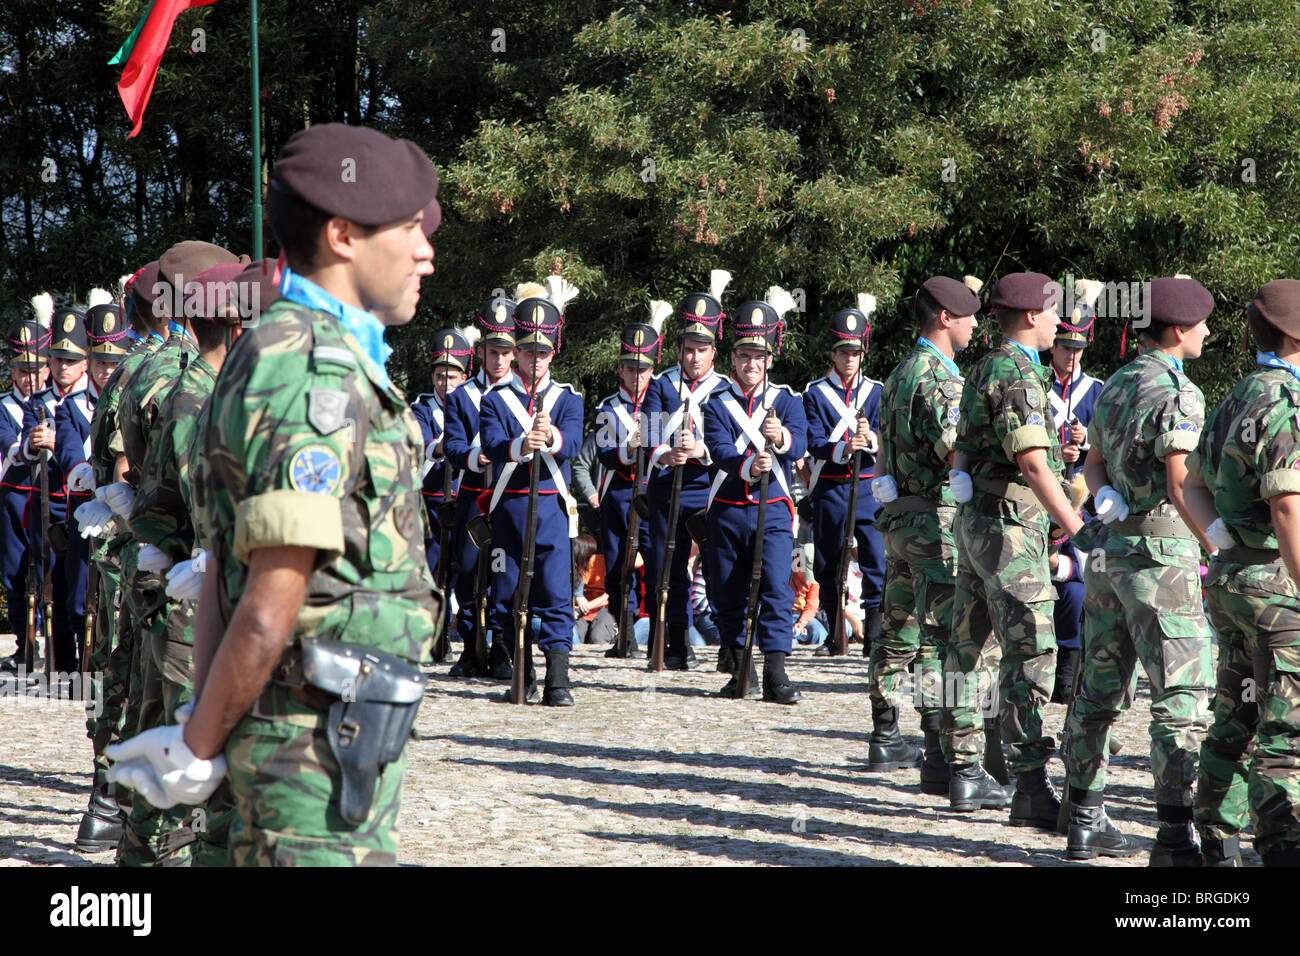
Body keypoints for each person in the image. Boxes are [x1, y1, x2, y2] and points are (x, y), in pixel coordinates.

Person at [107, 122, 444, 866]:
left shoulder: (308, 349)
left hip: (335, 728)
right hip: (311, 743)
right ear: (344, 234)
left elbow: (226, 561)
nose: (425, 251)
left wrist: (205, 721)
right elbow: (266, 596)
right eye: (409, 230)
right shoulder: (313, 367)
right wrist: (199, 741)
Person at [1062, 275, 1216, 863]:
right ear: (1178, 331)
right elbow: (1181, 484)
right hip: (1162, 562)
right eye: (1200, 324)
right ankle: (1175, 834)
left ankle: (1083, 814)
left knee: (1098, 687)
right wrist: (1217, 544)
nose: (1206, 332)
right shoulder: (1179, 392)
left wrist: (1105, 499)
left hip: (1109, 559)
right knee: (1180, 696)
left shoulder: (1117, 383)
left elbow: (1092, 463)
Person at [113, 239, 239, 867]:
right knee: (188, 749)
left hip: (185, 584)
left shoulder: (202, 388)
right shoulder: (202, 397)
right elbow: (196, 503)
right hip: (196, 593)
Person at [945, 271, 1082, 826]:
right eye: (1053, 313)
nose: (1058, 323)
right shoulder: (1019, 373)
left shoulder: (983, 366)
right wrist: (1076, 524)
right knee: (1031, 652)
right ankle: (1028, 783)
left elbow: (962, 445)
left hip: (979, 520)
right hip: (1007, 528)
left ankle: (961, 770)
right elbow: (1030, 461)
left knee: (969, 646)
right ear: (1030, 316)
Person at [1188, 279, 1300, 867]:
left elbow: (1190, 483)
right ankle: (1283, 850)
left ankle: (1216, 843)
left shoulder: (1235, 396)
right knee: (1288, 732)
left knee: (1234, 715)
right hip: (1280, 592)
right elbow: (1287, 505)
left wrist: (1221, 543)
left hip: (1231, 581)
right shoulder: (1288, 403)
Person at [870, 275, 982, 790]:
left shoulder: (897, 373)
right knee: (941, 637)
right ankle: (941, 754)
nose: (976, 325)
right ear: (944, 318)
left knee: (896, 630)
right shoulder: (940, 378)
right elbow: (955, 448)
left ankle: (885, 735)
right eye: (968, 317)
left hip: (898, 521)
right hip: (933, 523)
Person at [480, 277, 584, 704]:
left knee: (557, 593)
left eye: (542, 352)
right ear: (516, 351)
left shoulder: (567, 398)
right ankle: (520, 676)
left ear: (552, 353)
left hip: (552, 509)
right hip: (509, 509)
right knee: (507, 594)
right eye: (527, 351)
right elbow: (489, 444)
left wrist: (552, 437)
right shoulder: (496, 398)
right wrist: (522, 445)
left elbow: (574, 443)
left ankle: (558, 681)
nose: (534, 359)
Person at [702, 287, 807, 703]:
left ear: (768, 360)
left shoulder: (787, 399)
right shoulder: (717, 403)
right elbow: (719, 449)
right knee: (726, 590)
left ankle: (778, 674)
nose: (751, 364)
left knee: (777, 589)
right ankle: (740, 668)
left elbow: (801, 443)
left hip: (773, 508)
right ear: (733, 359)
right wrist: (749, 466)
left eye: (759, 357)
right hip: (727, 507)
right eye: (744, 356)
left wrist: (780, 438)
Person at [61, 295, 133, 851]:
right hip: (107, 556)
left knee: (123, 668)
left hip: (128, 550)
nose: (105, 369)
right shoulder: (95, 403)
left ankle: (111, 797)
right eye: (99, 360)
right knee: (109, 665)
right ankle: (106, 794)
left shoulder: (130, 396)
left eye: (113, 359)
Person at [642, 271, 730, 670]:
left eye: (702, 349)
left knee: (717, 569)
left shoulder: (726, 388)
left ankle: (731, 645)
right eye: (689, 349)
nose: (695, 357)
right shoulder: (660, 385)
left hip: (710, 487)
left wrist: (702, 450)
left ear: (714, 352)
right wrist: (665, 454)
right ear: (679, 349)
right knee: (668, 567)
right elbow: (647, 433)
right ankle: (674, 642)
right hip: (667, 484)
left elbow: (732, 442)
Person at [802, 294, 886, 660]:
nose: (848, 358)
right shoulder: (815, 394)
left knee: (875, 560)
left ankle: (876, 637)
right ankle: (836, 633)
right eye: (842, 352)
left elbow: (889, 439)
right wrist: (845, 448)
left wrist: (871, 440)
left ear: (861, 353)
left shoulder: (877, 392)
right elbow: (813, 441)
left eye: (854, 352)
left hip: (868, 483)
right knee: (827, 561)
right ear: (832, 355)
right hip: (832, 485)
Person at [443, 295, 517, 679]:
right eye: (493, 351)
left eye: (506, 352)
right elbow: (453, 445)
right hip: (474, 492)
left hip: (508, 495)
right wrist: (475, 457)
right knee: (470, 569)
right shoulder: (461, 396)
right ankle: (472, 648)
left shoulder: (523, 396)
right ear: (481, 351)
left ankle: (503, 647)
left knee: (505, 572)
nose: (499, 360)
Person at [594, 302, 667, 653]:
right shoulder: (607, 408)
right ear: (620, 371)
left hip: (652, 491)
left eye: (643, 370)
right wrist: (630, 443)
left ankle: (657, 633)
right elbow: (607, 454)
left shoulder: (660, 406)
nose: (636, 376)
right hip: (619, 493)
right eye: (630, 369)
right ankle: (623, 630)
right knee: (617, 564)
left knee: (654, 562)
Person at [23, 298, 90, 674]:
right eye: (57, 359)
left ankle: (88, 656)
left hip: (80, 502)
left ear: (85, 363)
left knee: (83, 585)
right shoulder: (38, 402)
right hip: (50, 501)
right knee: (54, 583)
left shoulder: (89, 403)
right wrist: (33, 445)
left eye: (71, 360)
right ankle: (63, 661)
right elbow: (20, 454)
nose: (63, 366)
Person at [1046, 280, 1105, 703]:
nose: (1072, 356)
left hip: (1085, 504)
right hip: (1043, 498)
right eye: (1065, 347)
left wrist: (1085, 444)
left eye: (1079, 348)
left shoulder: (1097, 391)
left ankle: (1071, 670)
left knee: (1079, 586)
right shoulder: (1032, 383)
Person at [0, 316, 49, 671]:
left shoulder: (55, 403)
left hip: (51, 497)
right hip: (15, 495)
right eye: (22, 370)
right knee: (15, 571)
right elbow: (9, 445)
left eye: (35, 369)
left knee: (53, 570)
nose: (29, 377)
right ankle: (23, 643)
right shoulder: (4, 406)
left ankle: (58, 644)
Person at [412, 326, 474, 579]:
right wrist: (445, 444)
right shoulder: (422, 408)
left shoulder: (474, 404)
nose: (445, 383)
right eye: (440, 376)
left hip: (466, 496)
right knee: (432, 570)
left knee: (466, 569)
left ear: (463, 378)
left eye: (451, 377)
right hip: (432, 499)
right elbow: (422, 445)